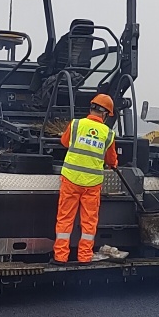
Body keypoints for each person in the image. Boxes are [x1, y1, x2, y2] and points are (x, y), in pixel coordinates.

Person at [53, 93, 119, 264]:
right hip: (92, 184)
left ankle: (60, 257)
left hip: (71, 180)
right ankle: (84, 257)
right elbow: (111, 160)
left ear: (91, 108)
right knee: (89, 223)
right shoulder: (108, 133)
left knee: (65, 219)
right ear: (105, 114)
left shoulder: (76, 124)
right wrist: (113, 164)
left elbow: (65, 142)